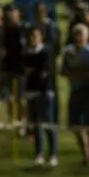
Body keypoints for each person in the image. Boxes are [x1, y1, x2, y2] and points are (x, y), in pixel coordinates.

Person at [60, 24, 89, 168]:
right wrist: (74, 72)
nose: (78, 37)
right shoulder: (68, 52)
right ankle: (85, 154)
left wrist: (81, 72)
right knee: (76, 125)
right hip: (75, 90)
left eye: (81, 34)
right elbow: (63, 71)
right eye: (76, 34)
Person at [23, 27, 57, 167]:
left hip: (44, 92)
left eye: (36, 36)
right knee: (36, 125)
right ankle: (39, 153)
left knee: (48, 123)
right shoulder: (27, 53)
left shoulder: (46, 53)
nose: (33, 39)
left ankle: (53, 154)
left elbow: (43, 74)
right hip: (31, 92)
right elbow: (24, 70)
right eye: (31, 36)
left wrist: (32, 71)